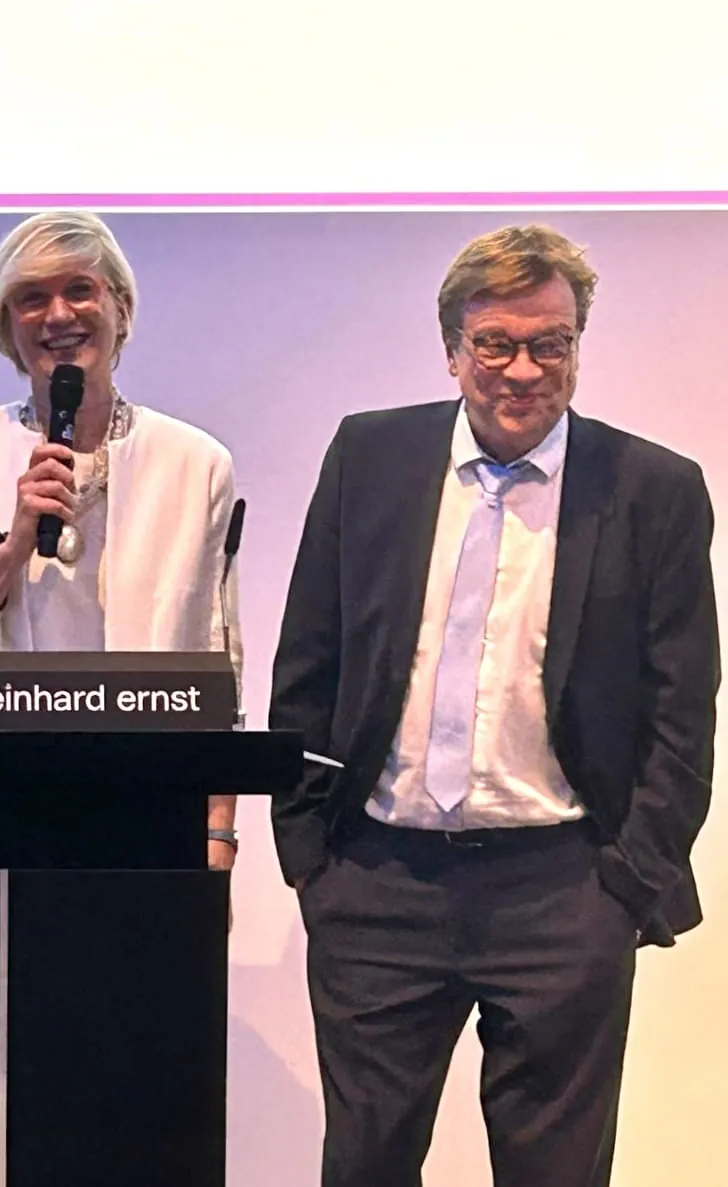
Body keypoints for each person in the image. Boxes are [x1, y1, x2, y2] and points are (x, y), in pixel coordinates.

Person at [270, 224, 719, 1187]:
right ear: (452, 348)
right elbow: (308, 660)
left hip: (562, 892)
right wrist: (312, 854)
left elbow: (683, 711)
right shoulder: (369, 456)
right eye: (496, 344)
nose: (523, 370)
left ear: (577, 344)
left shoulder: (655, 489)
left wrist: (624, 886)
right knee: (364, 1167)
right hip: (377, 884)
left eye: (550, 344)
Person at [0, 210, 242, 874]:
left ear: (121, 307)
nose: (58, 315)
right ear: (8, 328)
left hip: (148, 811)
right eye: (31, 298)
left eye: (80, 290)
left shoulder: (196, 463)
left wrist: (218, 833)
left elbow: (217, 667)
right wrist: (11, 550)